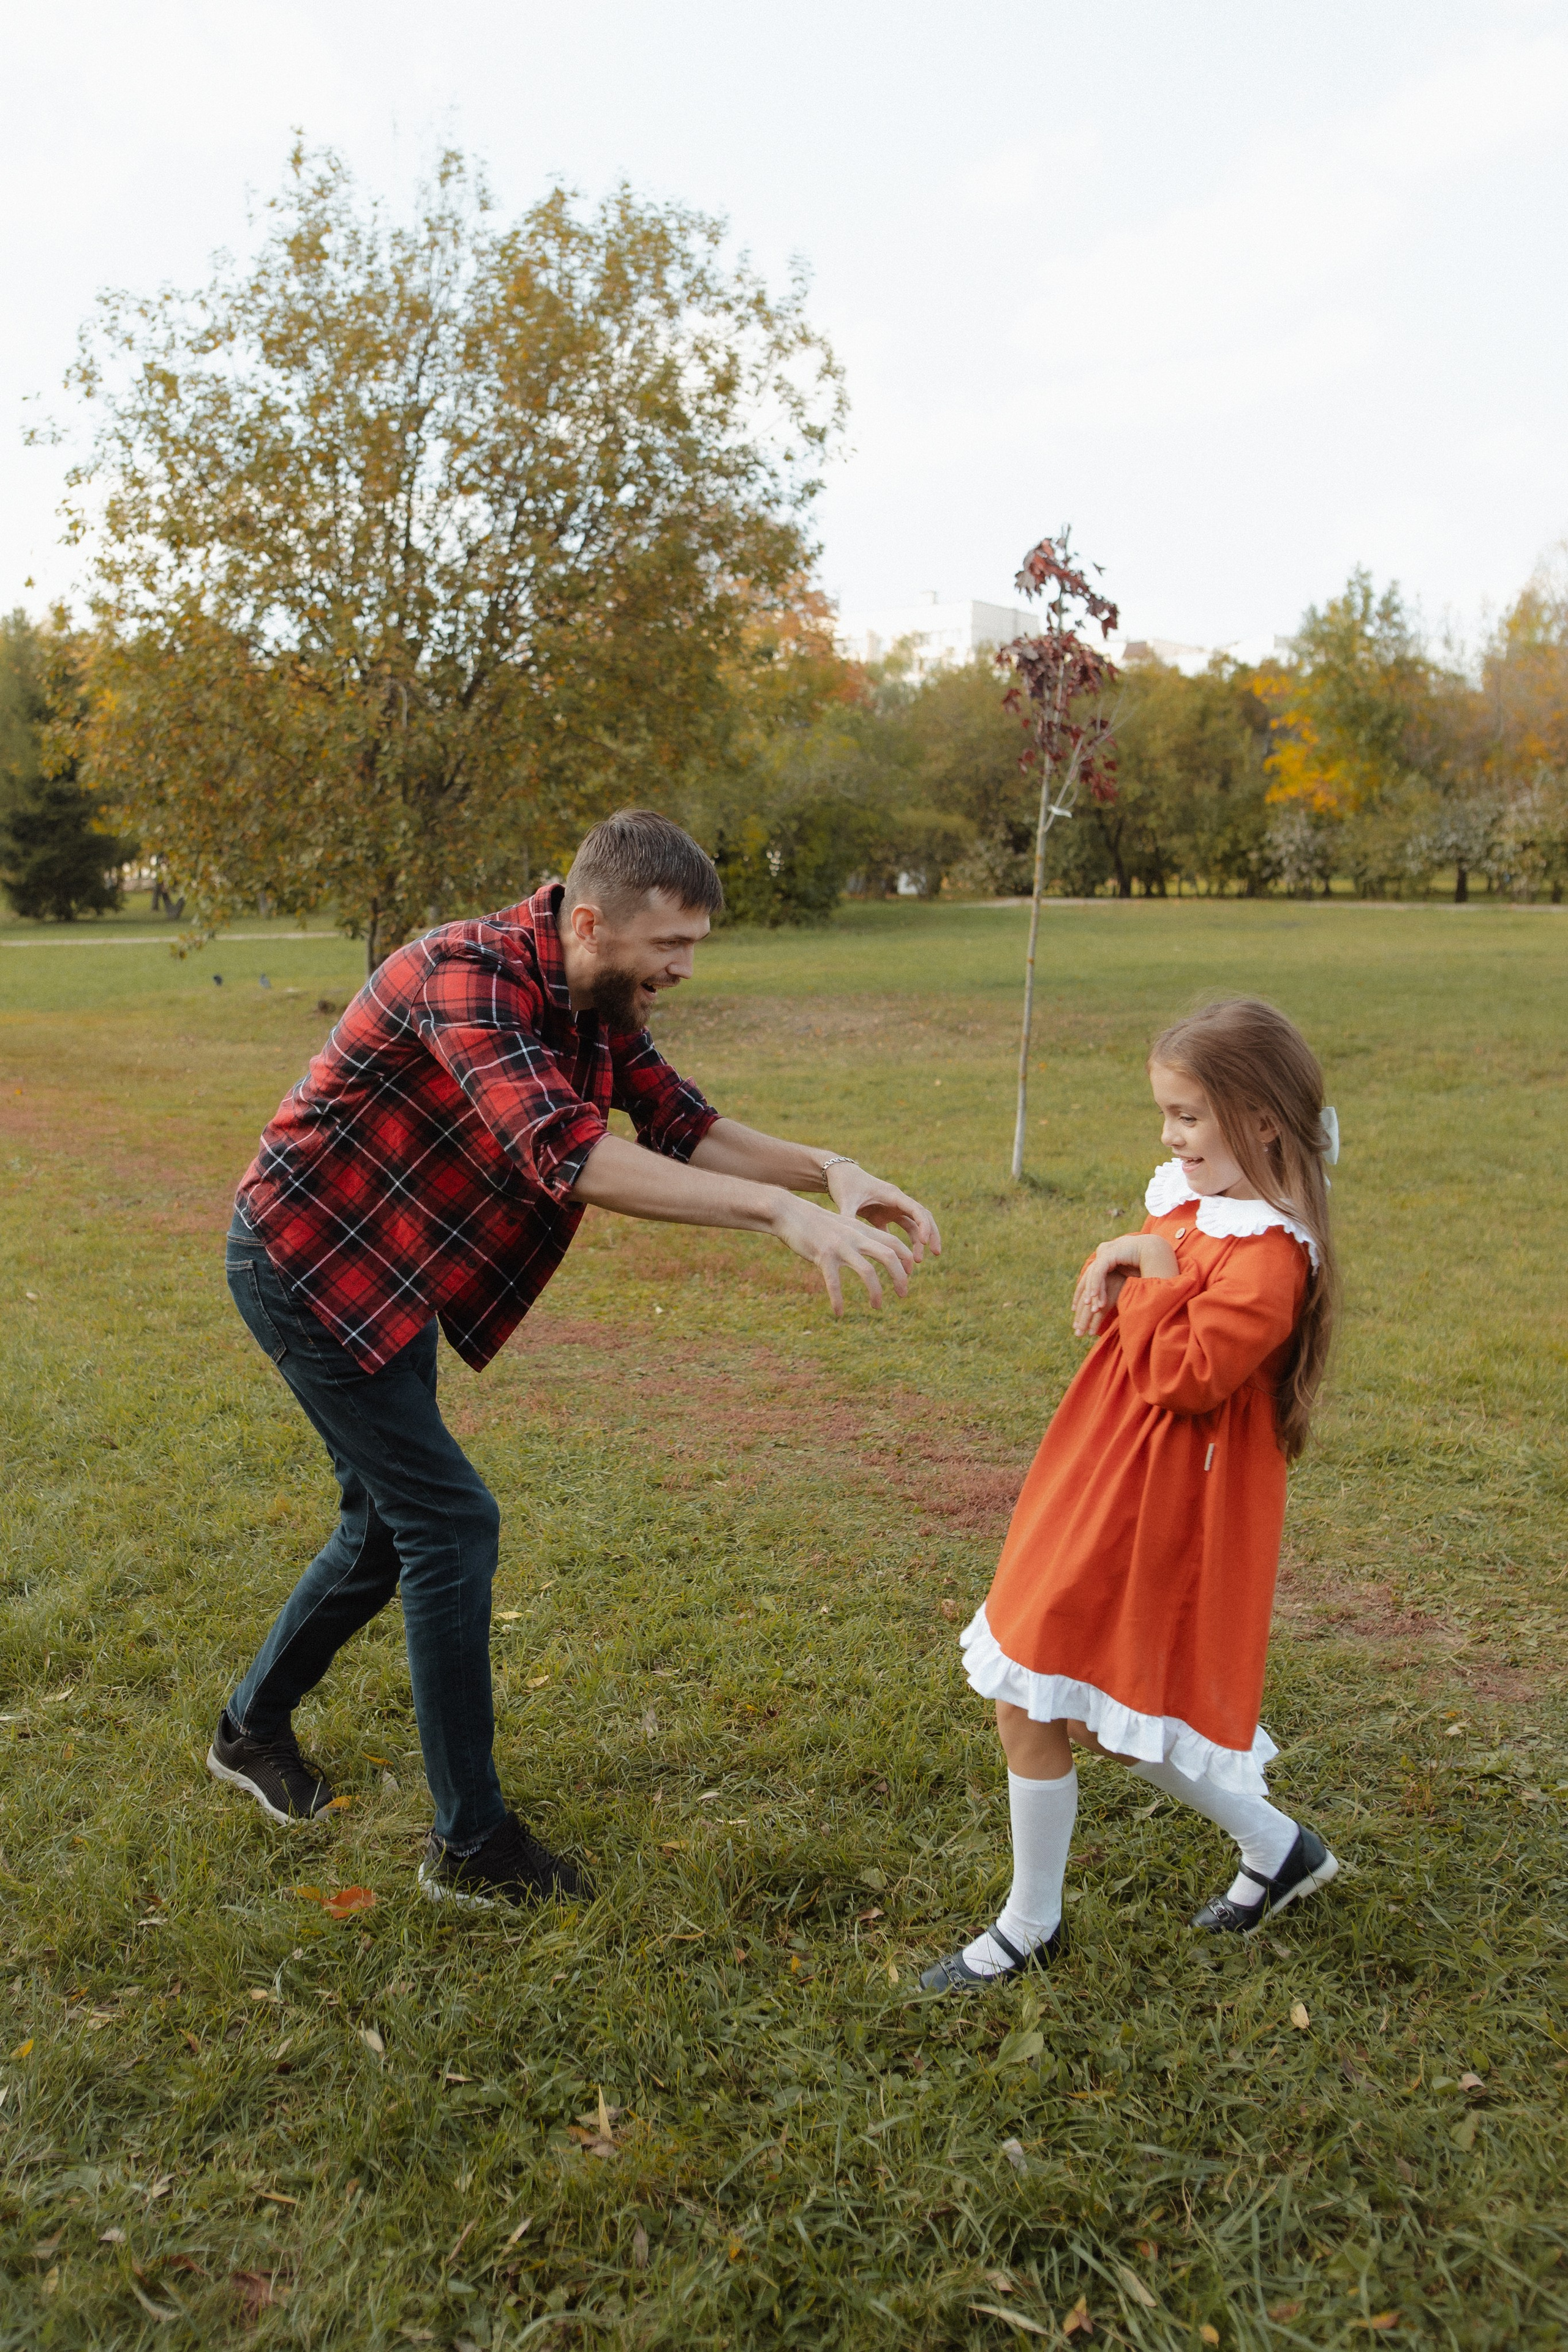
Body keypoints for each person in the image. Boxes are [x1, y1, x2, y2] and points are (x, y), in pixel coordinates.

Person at [212, 810, 941, 1909]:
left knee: (389, 1525)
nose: (683, 969)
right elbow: (568, 1151)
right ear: (591, 922)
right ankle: (471, 1846)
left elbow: (680, 1121)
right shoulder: (465, 976)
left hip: (397, 1269)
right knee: (448, 1522)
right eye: (670, 945)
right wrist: (774, 1217)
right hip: (308, 1260)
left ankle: (248, 1730)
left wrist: (829, 1170)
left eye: (693, 945)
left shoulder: (595, 993)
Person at [921, 997, 1340, 1990]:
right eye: (1167, 1114)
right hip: (1100, 1477)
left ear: (1263, 1121)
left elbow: (1185, 1375)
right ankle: (1276, 1847)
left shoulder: (1271, 1255)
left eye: (1188, 1117)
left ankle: (1032, 1923)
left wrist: (1144, 1263)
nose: (1169, 1137)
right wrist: (1122, 1260)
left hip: (1164, 1511)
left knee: (1067, 1701)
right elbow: (1135, 1303)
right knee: (1068, 1702)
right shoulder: (1191, 1203)